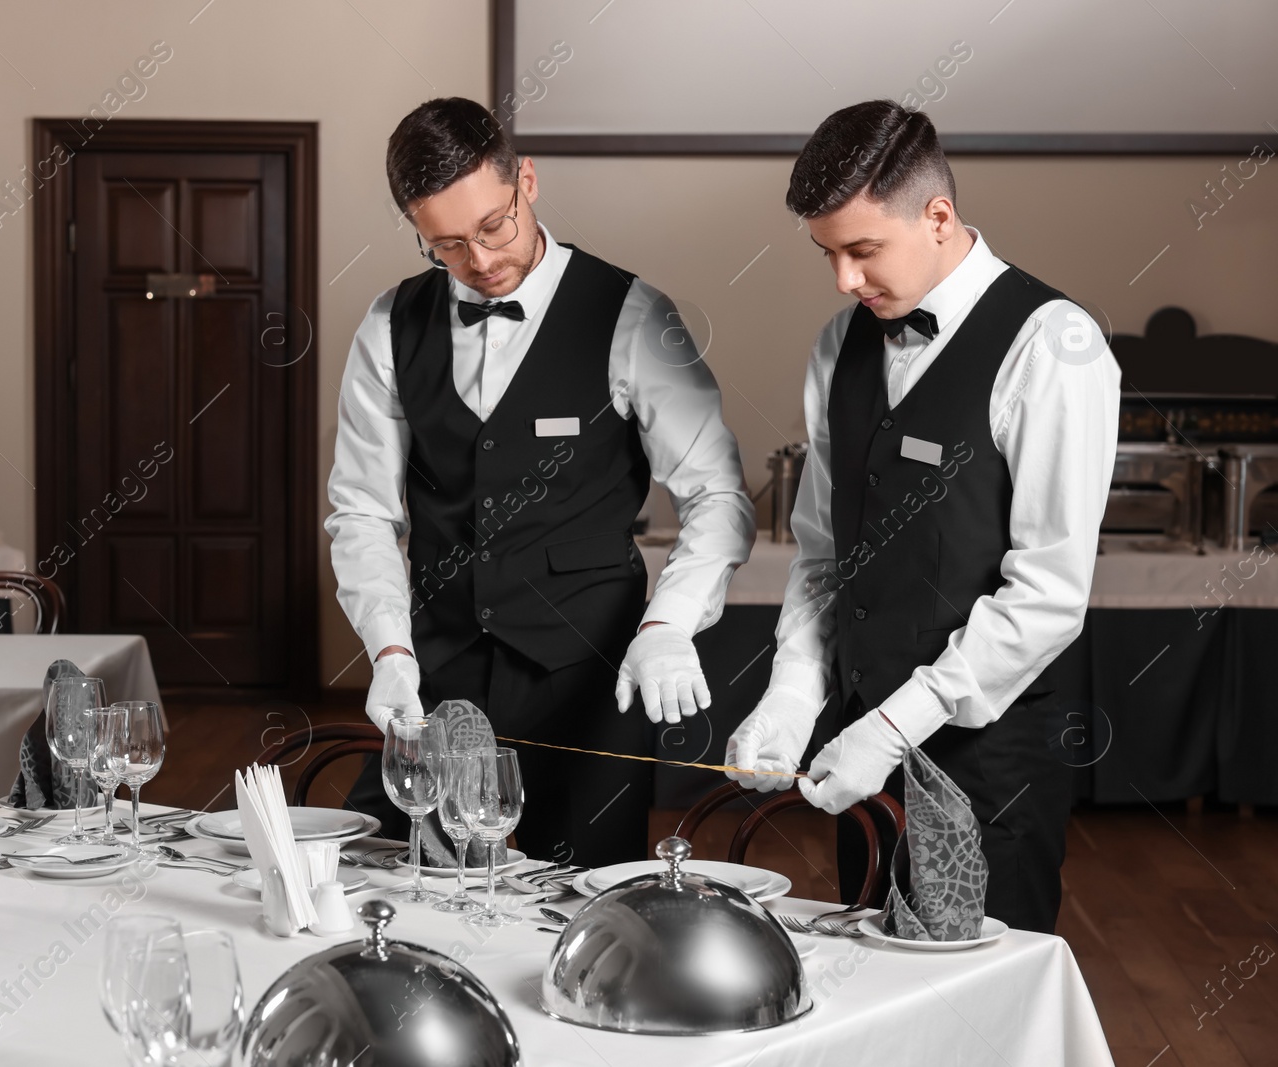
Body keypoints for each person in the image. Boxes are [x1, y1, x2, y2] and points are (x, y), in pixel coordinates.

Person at [725, 100, 1120, 933]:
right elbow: (826, 550)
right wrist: (796, 688)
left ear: (937, 216)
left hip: (986, 760)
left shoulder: (1055, 345)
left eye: (863, 250)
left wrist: (896, 726)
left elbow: (1047, 593)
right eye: (827, 254)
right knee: (871, 988)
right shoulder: (840, 345)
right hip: (860, 749)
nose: (844, 280)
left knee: (979, 1010)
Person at [326, 97, 753, 867]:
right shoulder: (389, 327)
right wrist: (389, 650)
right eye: (448, 246)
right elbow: (360, 511)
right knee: (405, 887)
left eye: (494, 227)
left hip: (589, 677)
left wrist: (667, 625)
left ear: (526, 181)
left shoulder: (631, 316)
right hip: (441, 665)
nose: (482, 261)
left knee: (585, 908)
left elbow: (718, 495)